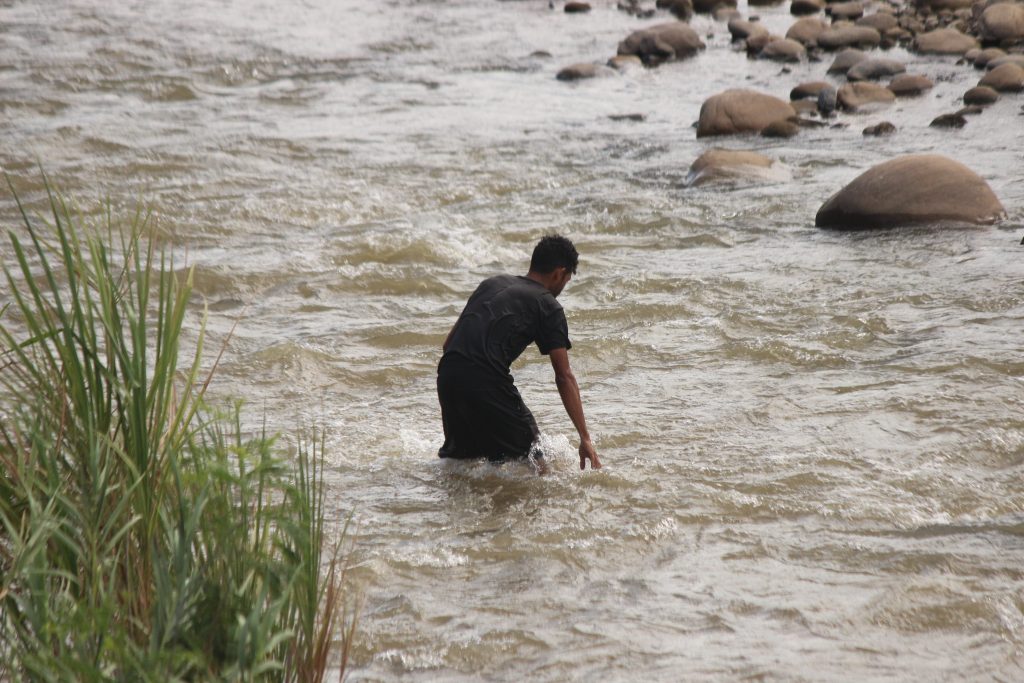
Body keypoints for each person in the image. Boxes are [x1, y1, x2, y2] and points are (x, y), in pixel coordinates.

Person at [436, 234, 601, 471]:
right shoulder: (548, 305)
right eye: (566, 280)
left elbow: (447, 344)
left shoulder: (491, 283)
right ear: (559, 273)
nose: (563, 287)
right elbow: (564, 376)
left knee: (461, 464)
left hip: (448, 376)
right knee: (537, 463)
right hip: (485, 379)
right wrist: (585, 438)